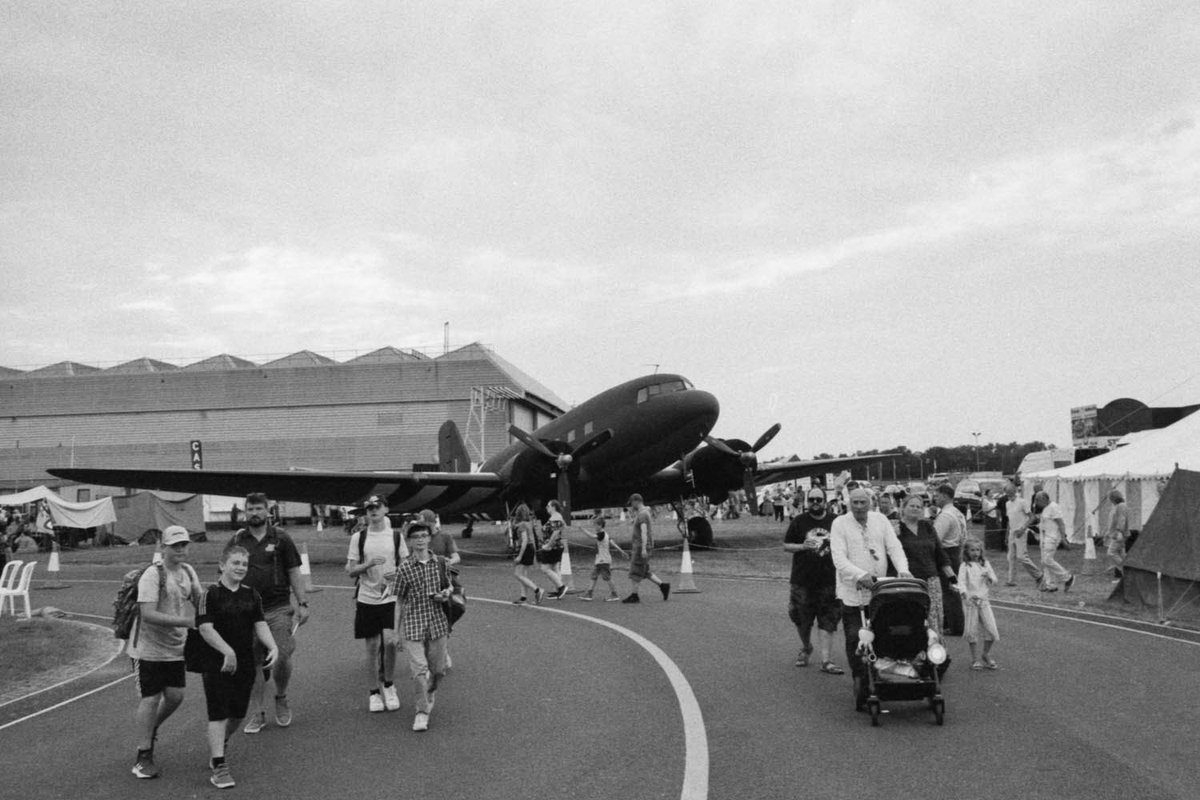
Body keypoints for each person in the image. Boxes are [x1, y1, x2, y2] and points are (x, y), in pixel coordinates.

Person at [197, 544, 279, 789]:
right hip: (216, 662)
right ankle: (219, 765)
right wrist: (227, 651)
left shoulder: (251, 595)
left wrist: (272, 646)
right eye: (235, 563)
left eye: (244, 564)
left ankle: (220, 744)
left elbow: (260, 624)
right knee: (218, 712)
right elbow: (205, 628)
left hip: (245, 662)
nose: (241, 568)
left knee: (237, 714)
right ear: (222, 565)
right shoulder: (210, 595)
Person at [229, 493, 308, 734]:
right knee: (253, 663)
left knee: (282, 655)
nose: (254, 513)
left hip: (278, 608)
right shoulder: (238, 540)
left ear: (267, 511)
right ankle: (258, 712)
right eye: (250, 509)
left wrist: (302, 602)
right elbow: (226, 573)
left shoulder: (281, 538)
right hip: (246, 612)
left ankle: (281, 696)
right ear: (245, 512)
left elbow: (294, 571)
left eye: (258, 508)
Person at [128, 526, 201, 780]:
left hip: (175, 648)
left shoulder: (188, 572)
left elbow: (200, 602)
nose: (180, 549)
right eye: (175, 545)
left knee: (175, 696)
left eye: (184, 544)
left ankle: (150, 728)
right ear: (163, 547)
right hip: (147, 649)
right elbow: (147, 614)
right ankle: (143, 755)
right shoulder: (153, 574)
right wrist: (186, 622)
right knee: (150, 698)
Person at [830, 488, 912, 710]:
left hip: (879, 590)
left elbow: (894, 547)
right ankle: (861, 681)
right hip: (853, 592)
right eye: (855, 502)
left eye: (863, 502)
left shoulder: (880, 520)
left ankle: (883, 675)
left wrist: (903, 570)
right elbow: (838, 558)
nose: (859, 507)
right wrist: (860, 575)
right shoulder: (839, 524)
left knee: (882, 635)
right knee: (855, 637)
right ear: (849, 503)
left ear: (870, 503)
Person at [346, 496, 407, 713]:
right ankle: (373, 692)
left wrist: (396, 575)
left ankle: (389, 685)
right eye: (369, 508)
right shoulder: (359, 537)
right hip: (367, 597)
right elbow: (351, 570)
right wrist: (368, 564)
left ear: (386, 509)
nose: (373, 511)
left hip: (390, 597)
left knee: (390, 643)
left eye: (377, 507)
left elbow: (406, 566)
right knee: (372, 646)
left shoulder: (396, 537)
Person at [393, 522, 453, 732]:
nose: (420, 540)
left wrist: (445, 594)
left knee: (438, 670)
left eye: (423, 535)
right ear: (410, 541)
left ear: (429, 538)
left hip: (437, 622)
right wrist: (395, 631)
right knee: (419, 670)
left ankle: (431, 691)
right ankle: (421, 711)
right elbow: (399, 600)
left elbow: (449, 585)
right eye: (415, 537)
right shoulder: (404, 568)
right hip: (414, 623)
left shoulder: (441, 563)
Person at [782, 488, 843, 674]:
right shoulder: (799, 521)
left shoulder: (836, 521)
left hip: (829, 580)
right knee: (801, 620)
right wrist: (802, 546)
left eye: (819, 499)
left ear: (825, 501)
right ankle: (806, 646)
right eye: (812, 499)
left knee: (828, 620)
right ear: (807, 502)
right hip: (802, 580)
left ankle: (826, 660)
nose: (815, 502)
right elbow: (786, 545)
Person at [894, 495, 956, 653]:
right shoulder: (897, 529)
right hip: (909, 582)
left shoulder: (927, 526)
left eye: (919, 507)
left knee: (934, 618)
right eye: (912, 505)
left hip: (931, 579)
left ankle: (936, 654)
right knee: (912, 619)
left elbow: (939, 553)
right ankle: (913, 653)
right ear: (903, 508)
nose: (915, 509)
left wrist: (951, 576)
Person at [955, 539, 999, 670]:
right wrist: (964, 594)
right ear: (966, 551)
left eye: (978, 550)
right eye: (972, 550)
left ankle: (986, 654)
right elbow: (961, 582)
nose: (975, 553)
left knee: (992, 630)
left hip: (984, 601)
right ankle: (975, 659)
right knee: (971, 630)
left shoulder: (985, 564)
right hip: (971, 602)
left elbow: (994, 580)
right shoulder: (965, 566)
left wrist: (988, 577)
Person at [932, 484, 967, 636]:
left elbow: (935, 538)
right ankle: (951, 622)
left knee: (948, 592)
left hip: (946, 553)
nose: (935, 499)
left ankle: (956, 626)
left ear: (945, 496)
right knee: (952, 590)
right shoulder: (957, 512)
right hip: (956, 551)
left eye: (937, 496)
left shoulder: (945, 516)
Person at [623, 493, 670, 603]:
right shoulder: (643, 513)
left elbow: (644, 532)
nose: (631, 506)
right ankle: (663, 586)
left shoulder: (643, 514)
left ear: (636, 501)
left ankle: (634, 595)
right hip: (642, 545)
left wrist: (643, 548)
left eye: (631, 503)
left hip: (640, 546)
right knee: (644, 571)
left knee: (635, 570)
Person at [1034, 491, 1074, 592]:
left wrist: (1064, 539)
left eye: (1038, 501)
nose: (1037, 504)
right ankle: (1050, 585)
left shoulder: (1054, 507)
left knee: (1047, 560)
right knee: (1045, 562)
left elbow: (1061, 524)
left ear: (1044, 499)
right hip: (1044, 537)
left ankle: (1067, 577)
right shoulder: (1045, 508)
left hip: (1052, 537)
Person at [1003, 483, 1042, 587]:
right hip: (1012, 533)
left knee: (1021, 557)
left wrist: (1023, 528)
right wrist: (1007, 535)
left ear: (1015, 491)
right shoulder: (1007, 504)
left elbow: (1032, 517)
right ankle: (1011, 580)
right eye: (1007, 493)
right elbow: (1009, 520)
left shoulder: (1022, 502)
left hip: (1021, 532)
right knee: (1010, 557)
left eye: (1010, 492)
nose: (1009, 495)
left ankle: (1038, 575)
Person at [577, 517, 625, 601]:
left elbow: (591, 536)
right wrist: (621, 551)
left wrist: (582, 530)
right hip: (600, 559)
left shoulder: (601, 534)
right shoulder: (605, 534)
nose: (594, 527)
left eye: (595, 525)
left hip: (603, 560)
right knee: (594, 576)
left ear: (600, 525)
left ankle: (614, 594)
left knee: (607, 577)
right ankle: (589, 594)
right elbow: (613, 543)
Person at [510, 504, 544, 604]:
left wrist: (519, 556)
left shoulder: (522, 525)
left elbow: (524, 541)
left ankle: (537, 590)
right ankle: (523, 597)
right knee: (523, 574)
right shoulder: (528, 523)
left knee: (518, 574)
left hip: (525, 549)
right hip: (529, 548)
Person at [536, 500, 569, 599]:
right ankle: (558, 590)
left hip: (553, 547)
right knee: (555, 568)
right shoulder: (557, 517)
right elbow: (563, 528)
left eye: (548, 506)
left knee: (545, 568)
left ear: (553, 507)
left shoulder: (555, 517)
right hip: (557, 546)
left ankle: (561, 587)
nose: (546, 508)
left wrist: (548, 545)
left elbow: (555, 533)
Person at [1106, 489, 1130, 582]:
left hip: (1119, 534)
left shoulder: (1121, 506)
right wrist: (1108, 532)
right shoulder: (1118, 506)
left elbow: (1121, 519)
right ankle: (1125, 578)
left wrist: (1119, 531)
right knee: (1121, 554)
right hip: (1117, 533)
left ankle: (1126, 570)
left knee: (1111, 552)